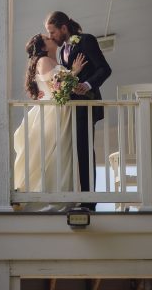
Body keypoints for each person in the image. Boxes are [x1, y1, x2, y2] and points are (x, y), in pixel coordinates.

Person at [45, 11, 112, 211]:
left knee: (85, 151)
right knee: (74, 152)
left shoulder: (86, 41)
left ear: (64, 28)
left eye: (52, 32)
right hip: (71, 110)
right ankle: (77, 196)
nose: (51, 37)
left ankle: (89, 201)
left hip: (87, 104)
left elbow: (104, 69)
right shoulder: (60, 53)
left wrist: (88, 84)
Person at [13, 34, 86, 208]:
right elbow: (57, 86)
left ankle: (59, 196)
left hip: (61, 111)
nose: (51, 38)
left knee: (59, 154)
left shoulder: (54, 60)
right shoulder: (43, 60)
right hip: (52, 113)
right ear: (44, 47)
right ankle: (31, 196)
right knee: (46, 154)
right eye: (47, 38)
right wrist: (74, 72)